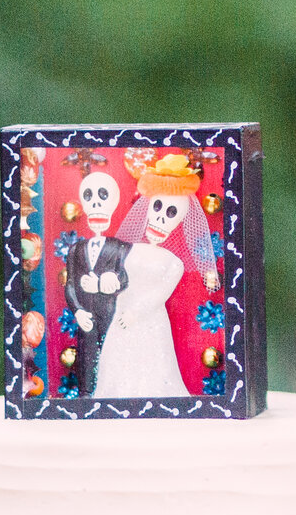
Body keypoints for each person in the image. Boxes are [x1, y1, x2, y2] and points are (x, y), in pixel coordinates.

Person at [91, 158, 219, 399]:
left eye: (171, 213)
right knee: (120, 361)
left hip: (149, 320)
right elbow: (116, 271)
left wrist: (136, 313)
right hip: (121, 315)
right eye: (157, 208)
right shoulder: (129, 249)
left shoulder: (174, 262)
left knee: (151, 361)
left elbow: (160, 294)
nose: (160, 218)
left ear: (180, 220)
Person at [63, 171, 129, 396]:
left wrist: (105, 283)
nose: (96, 203)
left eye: (103, 196)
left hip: (112, 317)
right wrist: (78, 311)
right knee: (87, 361)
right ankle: (86, 401)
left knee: (114, 361)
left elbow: (125, 278)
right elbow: (70, 284)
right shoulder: (76, 249)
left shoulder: (120, 247)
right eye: (90, 197)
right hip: (86, 320)